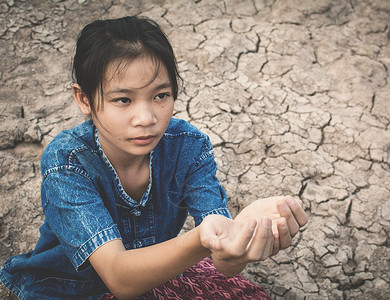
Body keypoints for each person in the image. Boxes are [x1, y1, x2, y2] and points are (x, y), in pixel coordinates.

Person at [0, 16, 308, 300]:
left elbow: (224, 262)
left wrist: (239, 241)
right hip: (71, 289)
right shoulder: (68, 162)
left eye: (161, 95)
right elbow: (119, 277)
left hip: (157, 273)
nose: (146, 117)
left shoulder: (189, 147)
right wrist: (203, 238)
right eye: (123, 100)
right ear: (84, 99)